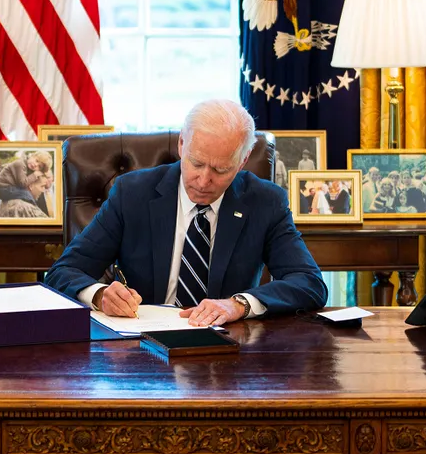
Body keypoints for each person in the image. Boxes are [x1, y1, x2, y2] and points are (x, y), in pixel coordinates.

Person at [45, 100, 327, 326]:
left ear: (243, 160)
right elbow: (64, 271)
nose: (204, 181)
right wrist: (99, 294)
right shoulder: (132, 193)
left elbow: (309, 283)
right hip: (143, 347)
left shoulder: (266, 202)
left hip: (228, 350)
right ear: (182, 144)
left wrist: (239, 304)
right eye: (196, 163)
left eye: (220, 169)